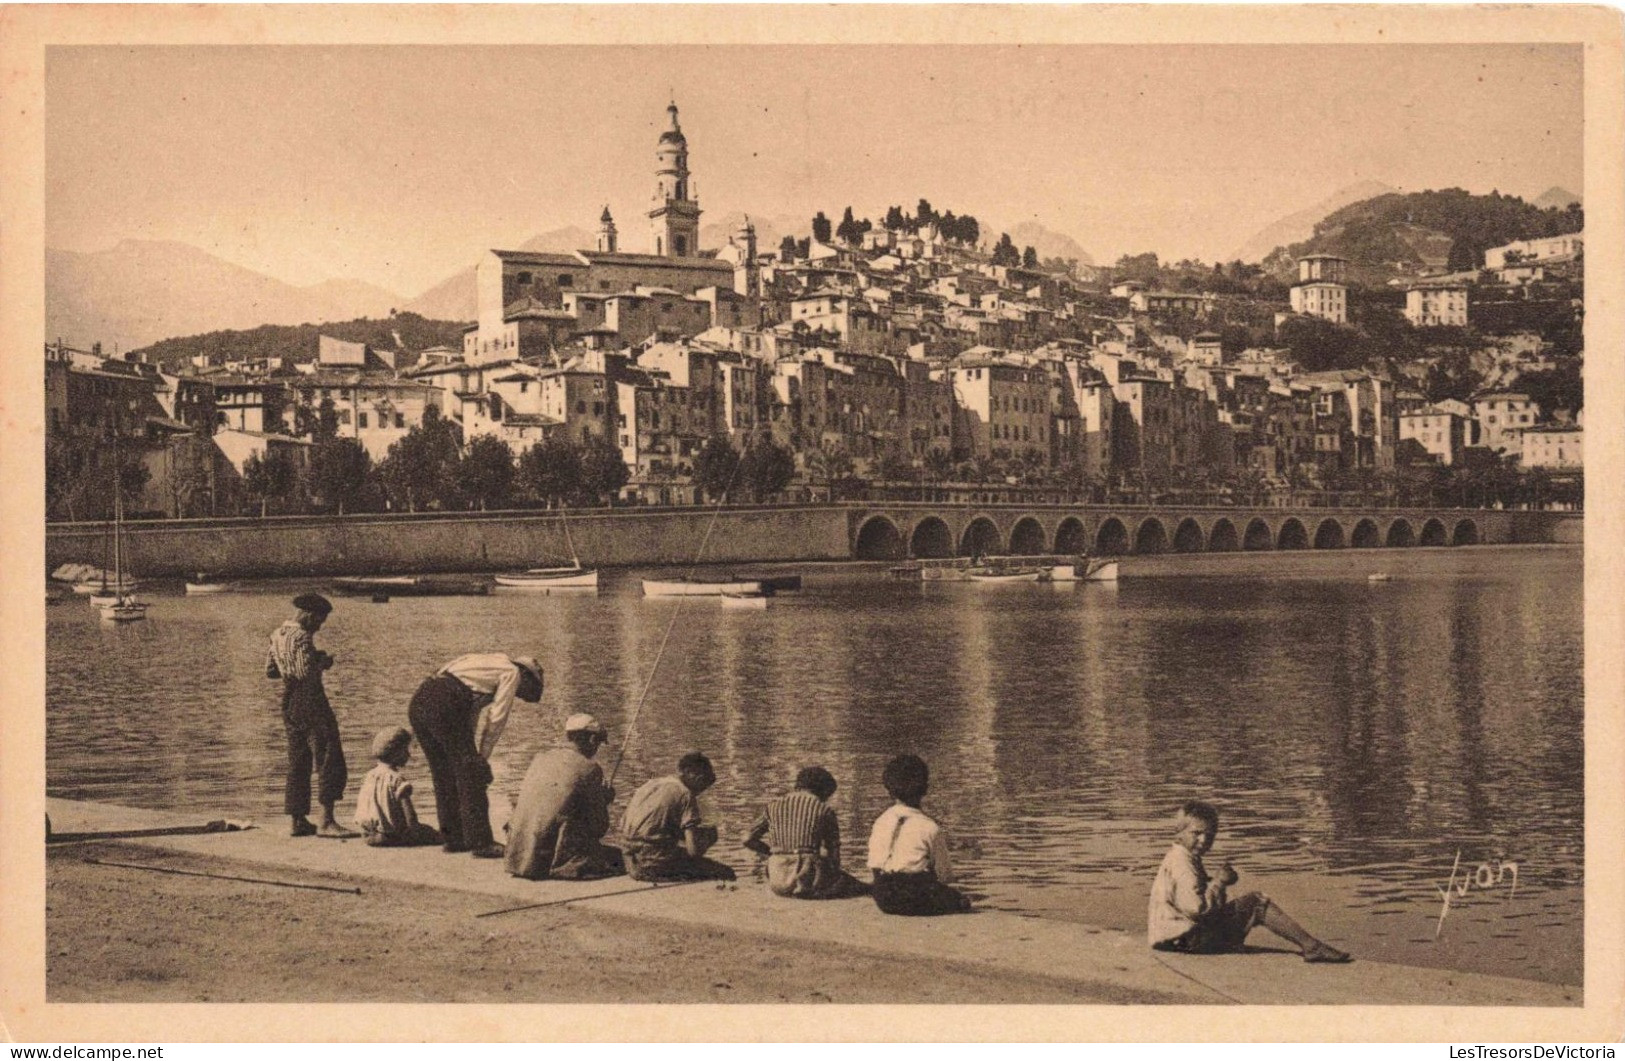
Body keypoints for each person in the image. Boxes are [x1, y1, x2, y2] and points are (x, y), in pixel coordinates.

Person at [1148, 801, 1350, 963]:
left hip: (1169, 938)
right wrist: (1219, 882)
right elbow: (1195, 909)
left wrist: (1215, 882)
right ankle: (1311, 946)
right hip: (1186, 940)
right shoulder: (1183, 864)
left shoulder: (1179, 856)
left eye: (1209, 836)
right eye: (1196, 833)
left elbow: (1189, 897)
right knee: (1257, 902)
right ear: (1179, 832)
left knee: (1244, 906)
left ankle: (1310, 946)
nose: (1203, 840)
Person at [407, 653, 543, 859]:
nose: (519, 694)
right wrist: (481, 757)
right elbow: (497, 718)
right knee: (472, 774)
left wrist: (470, 753)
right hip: (445, 703)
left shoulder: (485, 663)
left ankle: (454, 838)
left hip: (420, 701)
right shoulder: (511, 672)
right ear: (525, 673)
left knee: (442, 773)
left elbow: (468, 713)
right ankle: (481, 842)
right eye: (524, 689)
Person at [266, 593, 353, 838]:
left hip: (289, 700)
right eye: (320, 620)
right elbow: (306, 672)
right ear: (310, 615)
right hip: (310, 699)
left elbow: (270, 671)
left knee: (298, 760)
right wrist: (322, 661)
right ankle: (326, 821)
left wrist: (291, 665)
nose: (321, 625)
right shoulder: (302, 636)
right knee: (329, 755)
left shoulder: (276, 634)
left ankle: (297, 820)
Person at [505, 713, 624, 881]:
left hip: (516, 857)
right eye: (598, 742)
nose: (597, 749)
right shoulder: (589, 768)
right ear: (591, 739)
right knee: (619, 857)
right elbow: (598, 827)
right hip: (550, 861)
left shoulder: (540, 759)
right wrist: (604, 800)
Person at [866, 754, 971, 916]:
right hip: (914, 895)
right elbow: (945, 875)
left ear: (888, 789)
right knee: (959, 900)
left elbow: (874, 864)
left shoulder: (880, 821)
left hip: (883, 895)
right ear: (925, 788)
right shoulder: (929, 827)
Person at [744, 765, 867, 900]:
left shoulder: (773, 806)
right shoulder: (824, 809)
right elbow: (833, 853)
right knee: (858, 886)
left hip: (777, 879)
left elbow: (747, 839)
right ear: (824, 790)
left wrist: (772, 852)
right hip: (810, 880)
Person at [621, 752, 735, 881]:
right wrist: (707, 839)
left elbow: (641, 827)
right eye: (704, 783)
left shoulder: (650, 785)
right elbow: (693, 852)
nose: (701, 792)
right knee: (725, 871)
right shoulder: (685, 794)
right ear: (696, 777)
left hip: (630, 861)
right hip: (654, 864)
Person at [353, 727, 441, 847]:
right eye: (405, 750)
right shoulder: (396, 779)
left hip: (368, 834)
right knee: (430, 831)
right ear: (395, 753)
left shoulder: (369, 776)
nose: (409, 755)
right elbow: (410, 817)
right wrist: (418, 830)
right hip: (390, 836)